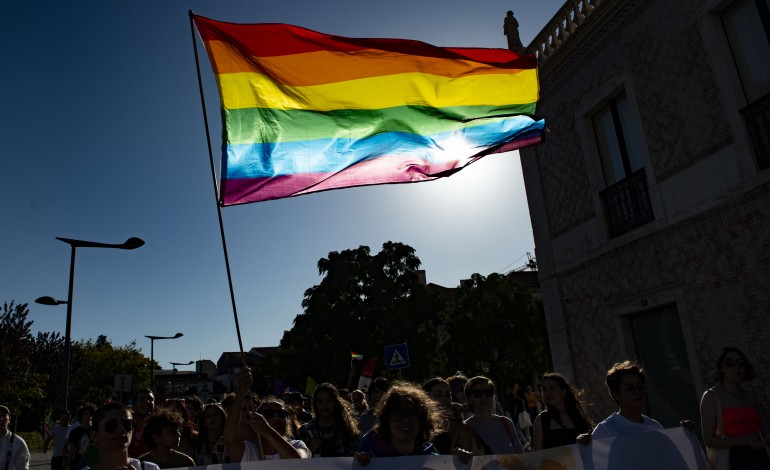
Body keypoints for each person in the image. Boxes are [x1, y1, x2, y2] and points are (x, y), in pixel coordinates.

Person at [700, 347, 770, 469]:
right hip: (733, 459)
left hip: (759, 457)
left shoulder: (751, 396)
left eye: (740, 363)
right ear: (721, 368)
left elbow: (767, 432)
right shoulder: (712, 396)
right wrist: (743, 440)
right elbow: (709, 440)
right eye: (729, 363)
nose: (736, 366)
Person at [223, 367, 310, 461]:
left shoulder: (297, 445)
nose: (277, 418)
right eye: (269, 414)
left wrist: (268, 431)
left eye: (282, 414)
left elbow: (300, 462)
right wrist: (241, 391)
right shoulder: (250, 450)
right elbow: (229, 440)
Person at [355, 383, 440, 465]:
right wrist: (362, 462)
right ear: (386, 418)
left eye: (413, 414)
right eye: (399, 414)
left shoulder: (431, 454)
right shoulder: (370, 450)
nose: (406, 420)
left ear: (423, 420)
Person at [83, 402, 160, 470]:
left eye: (127, 424)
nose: (121, 429)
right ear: (94, 436)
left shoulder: (150, 468)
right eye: (111, 425)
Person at [463, 376, 525, 455]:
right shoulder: (465, 428)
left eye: (488, 392)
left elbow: (521, 457)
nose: (483, 397)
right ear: (469, 399)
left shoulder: (506, 423)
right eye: (477, 393)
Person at [422, 377, 481, 457]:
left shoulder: (460, 428)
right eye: (438, 395)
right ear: (426, 398)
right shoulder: (420, 428)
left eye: (448, 394)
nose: (445, 399)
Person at [296, 383, 360, 457]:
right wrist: (309, 450)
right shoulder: (304, 432)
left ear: (335, 403)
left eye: (329, 401)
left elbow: (357, 459)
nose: (324, 405)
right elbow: (294, 463)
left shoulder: (348, 431)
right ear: (315, 404)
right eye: (320, 401)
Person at [533, 372, 592, 450]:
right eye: (544, 390)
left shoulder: (577, 416)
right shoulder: (542, 420)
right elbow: (537, 455)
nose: (548, 393)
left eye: (552, 388)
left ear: (563, 392)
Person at [66, 403, 97, 470]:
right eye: (86, 414)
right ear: (82, 416)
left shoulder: (95, 431)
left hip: (92, 463)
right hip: (78, 462)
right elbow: (71, 450)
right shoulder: (74, 432)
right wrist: (68, 465)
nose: (88, 416)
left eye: (90, 414)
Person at [0, 405, 30, 470]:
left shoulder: (18, 442)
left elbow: (23, 467)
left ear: (9, 419)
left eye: (3, 415)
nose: (1, 418)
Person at [128, 389, 154, 458]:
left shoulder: (158, 431)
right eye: (142, 399)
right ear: (134, 406)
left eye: (151, 399)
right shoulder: (124, 429)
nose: (147, 402)